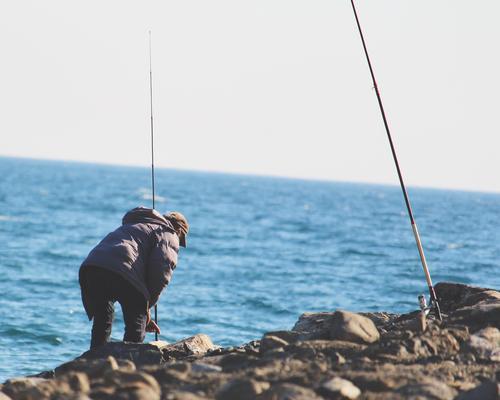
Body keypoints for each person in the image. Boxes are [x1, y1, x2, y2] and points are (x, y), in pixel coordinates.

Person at [79, 206, 189, 349]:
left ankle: (94, 361)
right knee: (136, 326)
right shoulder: (169, 234)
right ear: (180, 230)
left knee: (103, 320)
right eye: (181, 240)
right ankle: (129, 363)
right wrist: (146, 310)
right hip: (122, 268)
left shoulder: (135, 224)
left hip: (92, 268)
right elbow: (160, 277)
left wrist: (145, 310)